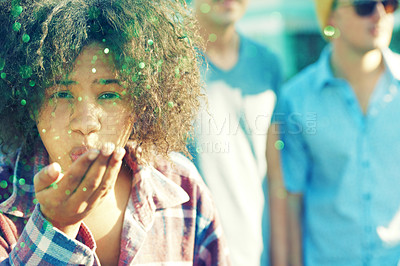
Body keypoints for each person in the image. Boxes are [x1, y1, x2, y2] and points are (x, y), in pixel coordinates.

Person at [0, 0, 231, 265]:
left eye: (109, 94)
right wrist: (55, 227)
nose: (86, 123)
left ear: (140, 102)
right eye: (61, 94)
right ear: (29, 103)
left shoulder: (184, 189)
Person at [268, 0, 400, 265]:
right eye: (364, 5)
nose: (379, 14)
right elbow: (290, 202)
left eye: (389, 3)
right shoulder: (296, 99)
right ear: (331, 18)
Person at [190, 0, 282, 265]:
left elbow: (276, 176)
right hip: (186, 250)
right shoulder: (166, 61)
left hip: (255, 252)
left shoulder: (268, 64)